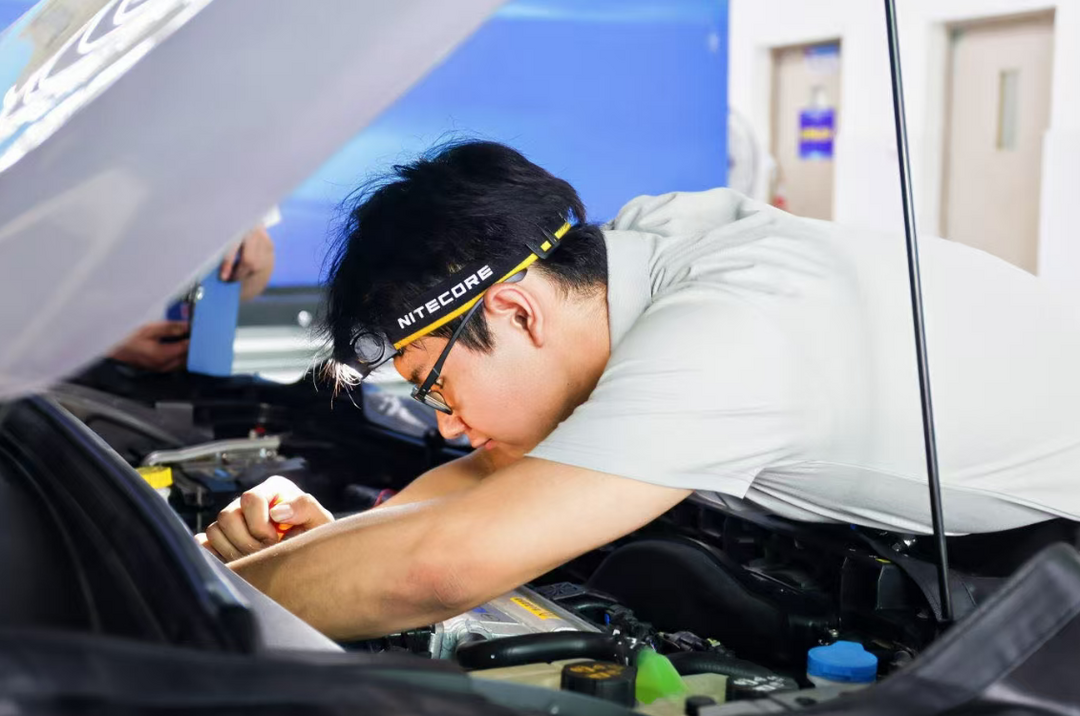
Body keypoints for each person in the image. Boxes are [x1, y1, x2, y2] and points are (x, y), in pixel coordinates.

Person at [197, 141, 1080, 641]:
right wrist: (333, 550)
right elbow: (496, 477)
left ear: (517, 311)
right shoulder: (634, 256)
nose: (452, 427)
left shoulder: (725, 335)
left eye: (438, 387)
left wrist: (178, 605)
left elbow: (444, 567)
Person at [108, 224, 276, 371]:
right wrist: (108, 347)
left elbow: (252, 287)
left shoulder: (237, 199)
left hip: (198, 370)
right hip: (104, 374)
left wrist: (250, 257)